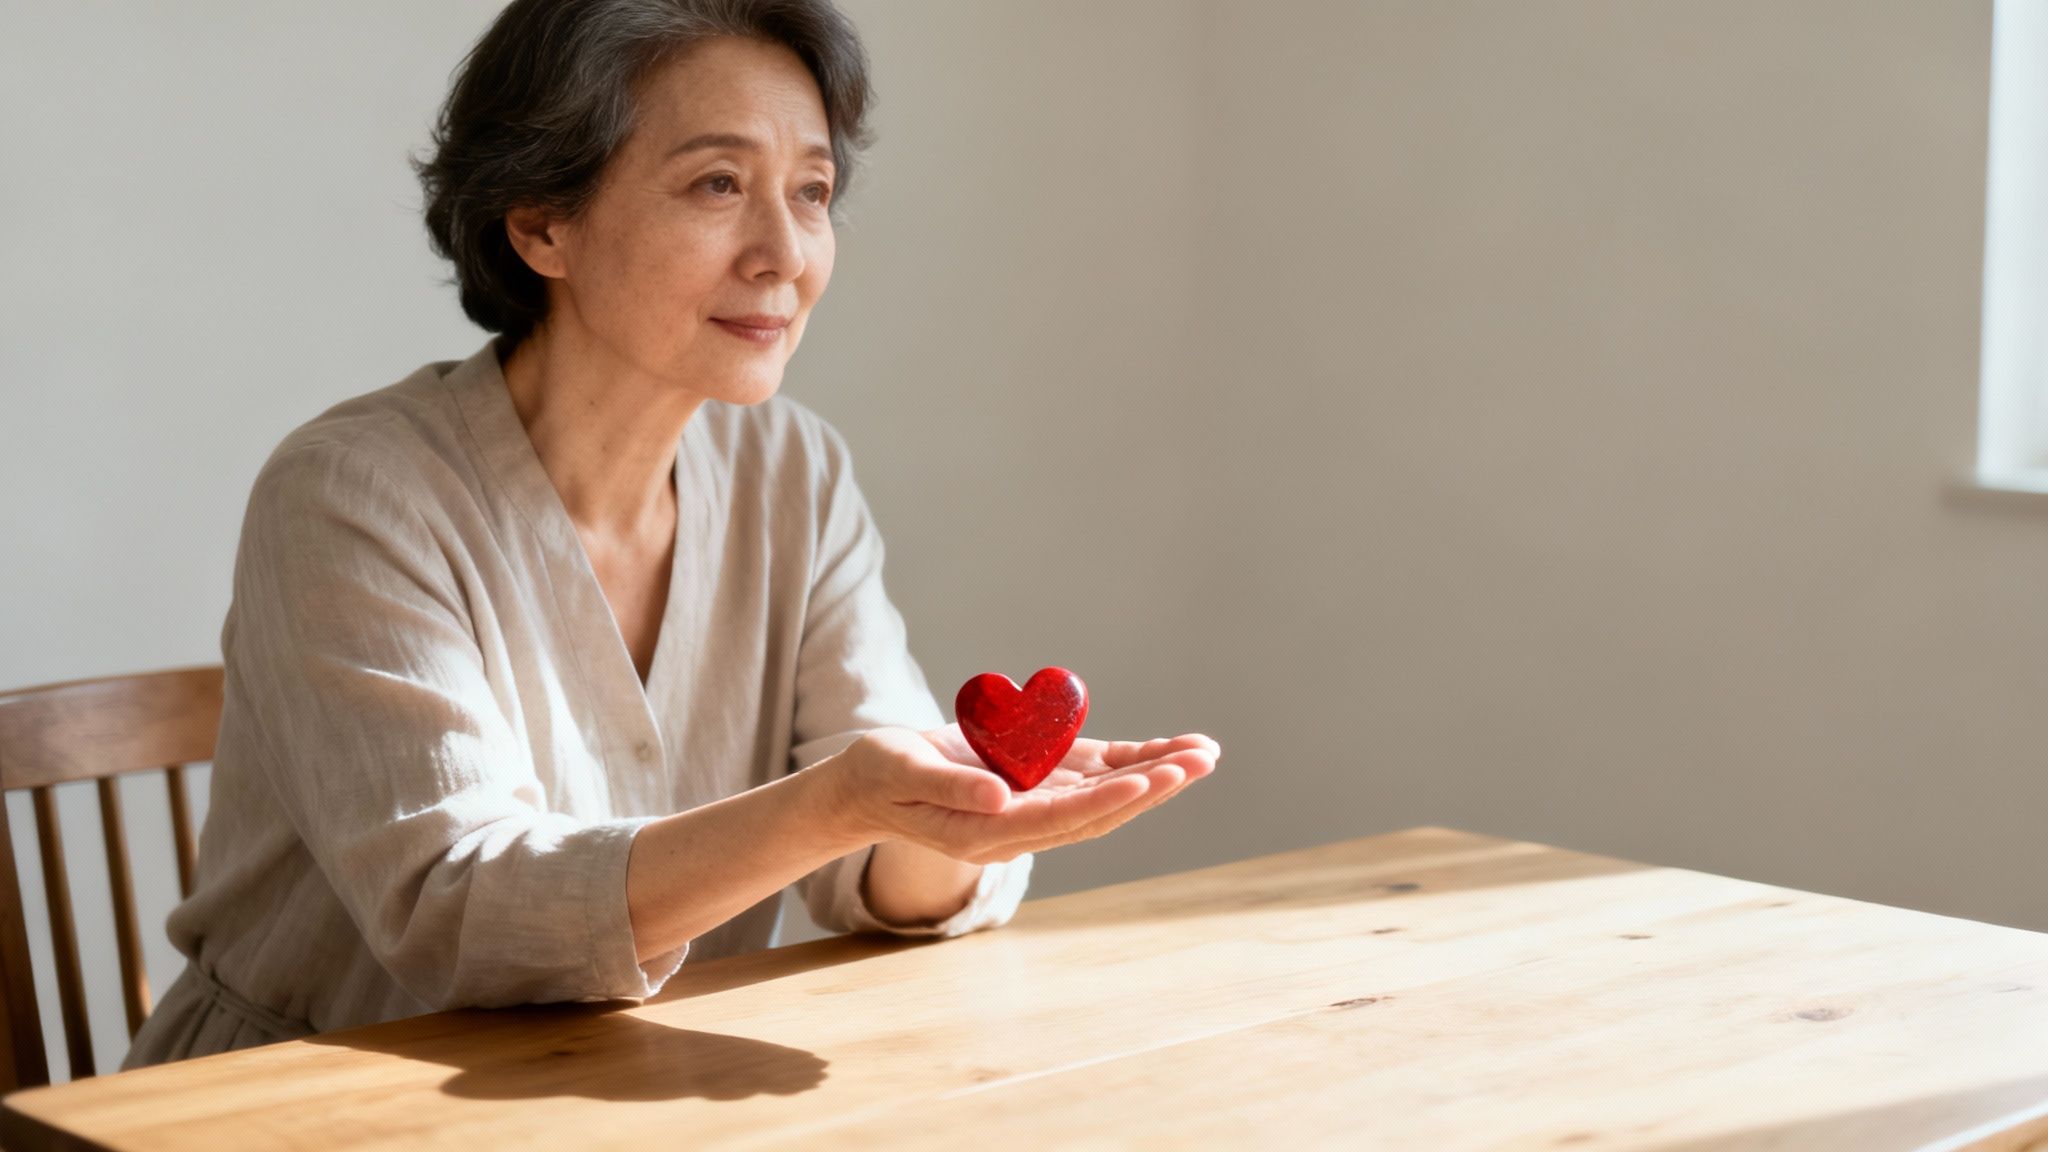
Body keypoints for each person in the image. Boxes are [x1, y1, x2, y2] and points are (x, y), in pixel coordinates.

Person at [123, 0, 1219, 1068]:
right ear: (543, 222)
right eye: (717, 184)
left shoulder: (796, 472)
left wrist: (966, 815)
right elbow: (456, 914)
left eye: (813, 191)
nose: (784, 253)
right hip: (302, 1102)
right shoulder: (352, 492)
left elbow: (878, 871)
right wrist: (837, 803)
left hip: (622, 1092)